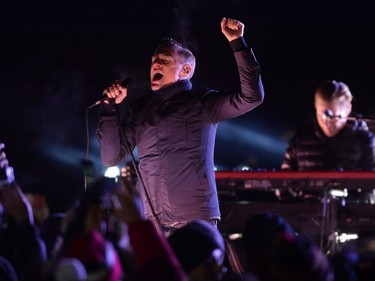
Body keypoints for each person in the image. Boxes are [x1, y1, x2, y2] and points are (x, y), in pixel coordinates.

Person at [96, 17, 265, 236]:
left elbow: (252, 97)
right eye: (154, 59)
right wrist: (110, 110)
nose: (155, 64)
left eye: (164, 60)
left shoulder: (202, 102)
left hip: (194, 219)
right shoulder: (139, 109)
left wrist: (238, 43)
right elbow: (111, 157)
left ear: (185, 71)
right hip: (151, 222)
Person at [281, 80, 375, 171]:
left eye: (331, 116)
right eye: (320, 114)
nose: (325, 121)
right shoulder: (301, 138)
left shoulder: (365, 141)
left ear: (347, 109)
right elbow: (284, 178)